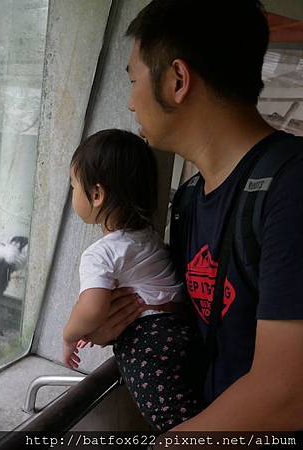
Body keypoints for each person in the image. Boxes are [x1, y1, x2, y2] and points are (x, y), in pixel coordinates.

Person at [87, 0, 303, 431]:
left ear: (177, 80)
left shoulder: (291, 188)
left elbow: (287, 393)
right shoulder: (189, 198)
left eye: (133, 81)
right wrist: (121, 320)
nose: (129, 103)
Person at [62, 129, 204, 431]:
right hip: (183, 330)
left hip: (149, 344)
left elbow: (92, 309)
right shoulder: (150, 238)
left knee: (174, 425)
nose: (72, 193)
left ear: (96, 194)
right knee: (191, 410)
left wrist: (69, 335)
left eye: (73, 185)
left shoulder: (100, 253)